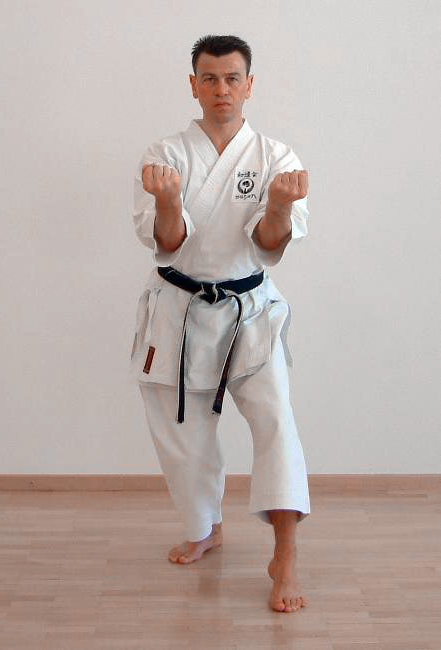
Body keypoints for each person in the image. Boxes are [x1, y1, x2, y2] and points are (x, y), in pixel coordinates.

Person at [130, 34, 311, 614]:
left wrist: (279, 206)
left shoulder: (277, 157)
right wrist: (167, 202)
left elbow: (269, 244)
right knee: (181, 432)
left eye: (232, 78)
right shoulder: (165, 154)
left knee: (277, 422)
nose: (221, 89)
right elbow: (167, 242)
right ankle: (205, 526)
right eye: (209, 78)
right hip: (179, 309)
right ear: (194, 85)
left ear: (249, 85)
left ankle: (285, 554)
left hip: (249, 310)